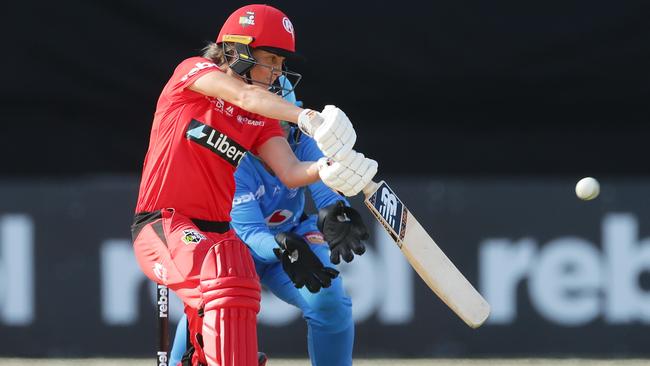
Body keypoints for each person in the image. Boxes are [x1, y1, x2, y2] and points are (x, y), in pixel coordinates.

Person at [131, 4, 377, 366]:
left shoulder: (260, 122)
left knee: (239, 289)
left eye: (281, 63)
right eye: (271, 60)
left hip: (220, 236)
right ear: (238, 49)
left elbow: (291, 171)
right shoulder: (193, 73)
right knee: (227, 286)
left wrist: (329, 169)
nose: (278, 72)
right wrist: (306, 116)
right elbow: (244, 96)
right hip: (165, 223)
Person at [170, 81, 367, 366]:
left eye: (283, 126)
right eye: (266, 129)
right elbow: (250, 234)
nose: (279, 138)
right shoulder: (231, 159)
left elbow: (327, 190)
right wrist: (284, 246)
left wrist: (339, 212)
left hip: (291, 236)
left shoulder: (302, 140)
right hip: (233, 249)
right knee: (207, 308)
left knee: (330, 302)